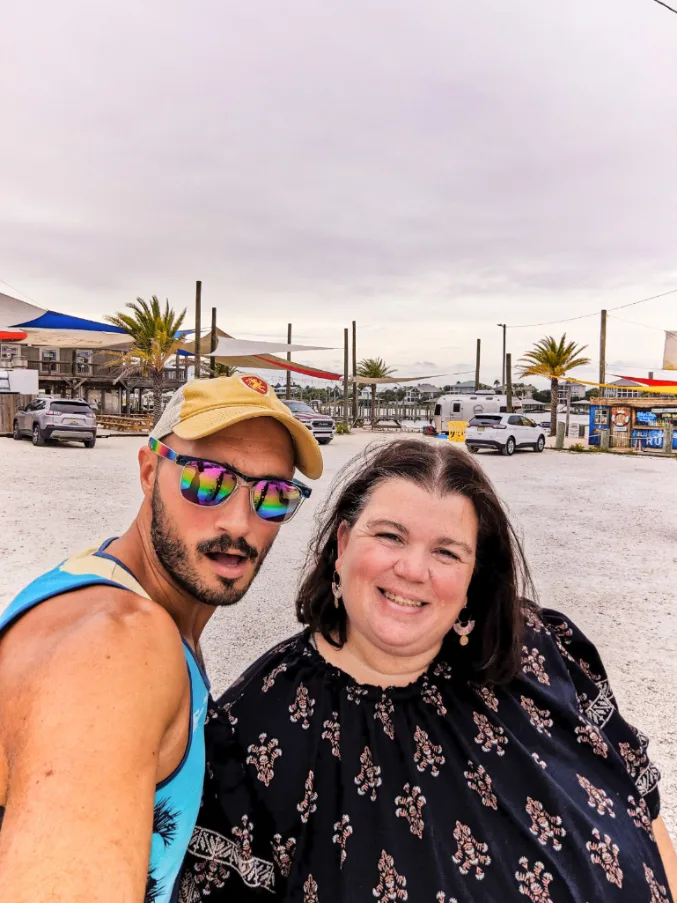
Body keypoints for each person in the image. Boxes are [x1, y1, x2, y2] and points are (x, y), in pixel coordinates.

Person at [179, 439, 677, 902]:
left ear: (473, 575)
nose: (413, 570)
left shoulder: (544, 652)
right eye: (390, 536)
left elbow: (646, 817)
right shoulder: (250, 737)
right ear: (342, 544)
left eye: (446, 552)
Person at [0, 373, 323, 903]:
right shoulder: (117, 645)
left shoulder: (119, 590)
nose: (239, 523)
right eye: (208, 480)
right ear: (150, 471)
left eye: (271, 495)